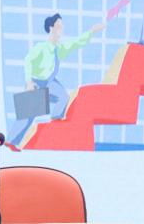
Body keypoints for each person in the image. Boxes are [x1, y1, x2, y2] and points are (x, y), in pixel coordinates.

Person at [9, 13, 104, 146]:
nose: (61, 28)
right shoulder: (41, 47)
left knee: (63, 97)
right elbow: (28, 61)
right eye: (58, 25)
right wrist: (29, 81)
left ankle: (55, 122)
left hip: (49, 83)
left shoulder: (59, 49)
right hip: (36, 82)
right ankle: (10, 142)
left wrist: (92, 31)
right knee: (27, 116)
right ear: (51, 28)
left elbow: (76, 43)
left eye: (62, 26)